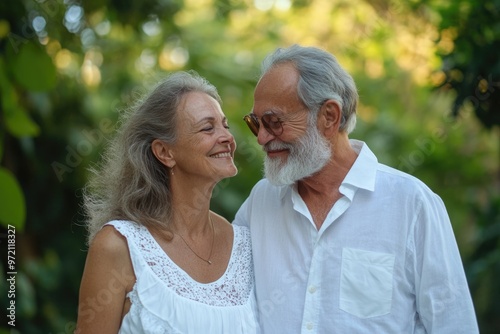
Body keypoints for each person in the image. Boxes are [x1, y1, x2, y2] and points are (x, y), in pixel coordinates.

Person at [234, 44, 479, 333]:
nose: (262, 138)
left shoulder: (412, 204)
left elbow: (452, 324)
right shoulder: (260, 203)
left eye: (274, 122)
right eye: (255, 123)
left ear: (329, 116)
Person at [76, 71, 259, 334]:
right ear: (164, 152)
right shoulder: (119, 246)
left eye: (225, 125)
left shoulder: (245, 245)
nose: (227, 138)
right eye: (208, 128)